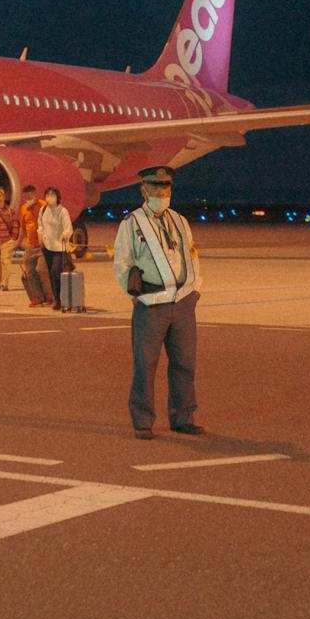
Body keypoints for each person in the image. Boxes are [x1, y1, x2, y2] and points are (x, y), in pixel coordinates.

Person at [112, 165, 204, 440]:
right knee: (145, 365)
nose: (162, 191)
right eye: (156, 186)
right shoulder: (132, 223)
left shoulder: (179, 220)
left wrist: (196, 289)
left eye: (166, 186)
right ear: (143, 189)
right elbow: (122, 263)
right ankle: (142, 421)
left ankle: (183, 417)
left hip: (183, 303)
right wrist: (134, 296)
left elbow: (193, 255)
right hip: (151, 304)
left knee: (185, 364)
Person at [39, 186, 74, 310]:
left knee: (56, 272)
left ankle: (62, 298)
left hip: (59, 247)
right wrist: (41, 235)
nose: (49, 197)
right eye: (47, 195)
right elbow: (41, 225)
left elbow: (68, 227)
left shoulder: (62, 211)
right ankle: (57, 300)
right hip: (47, 246)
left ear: (57, 197)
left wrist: (65, 235)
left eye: (52, 195)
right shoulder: (43, 210)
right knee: (50, 274)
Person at [18, 184, 50, 306]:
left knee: (41, 270)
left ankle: (49, 295)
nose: (27, 200)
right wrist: (19, 242)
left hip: (43, 246)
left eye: (29, 197)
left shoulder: (44, 206)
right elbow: (23, 227)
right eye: (25, 197)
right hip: (30, 246)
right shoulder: (23, 208)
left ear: (35, 194)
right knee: (29, 272)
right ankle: (37, 296)